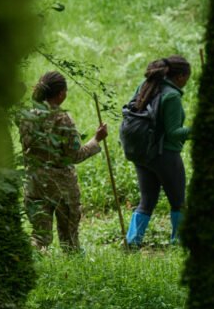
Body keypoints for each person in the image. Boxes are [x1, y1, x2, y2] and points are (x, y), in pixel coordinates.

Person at [18, 71, 108, 252]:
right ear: (61, 94)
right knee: (69, 238)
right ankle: (74, 269)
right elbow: (75, 155)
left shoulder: (27, 116)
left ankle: (28, 262)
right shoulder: (62, 119)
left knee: (39, 235)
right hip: (61, 185)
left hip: (34, 181)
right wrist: (96, 139)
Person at [125, 55, 191, 246]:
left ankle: (132, 242)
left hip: (143, 153)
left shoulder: (145, 86)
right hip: (165, 155)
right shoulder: (171, 96)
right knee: (178, 202)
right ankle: (179, 244)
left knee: (146, 201)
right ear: (180, 76)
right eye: (188, 76)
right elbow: (174, 133)